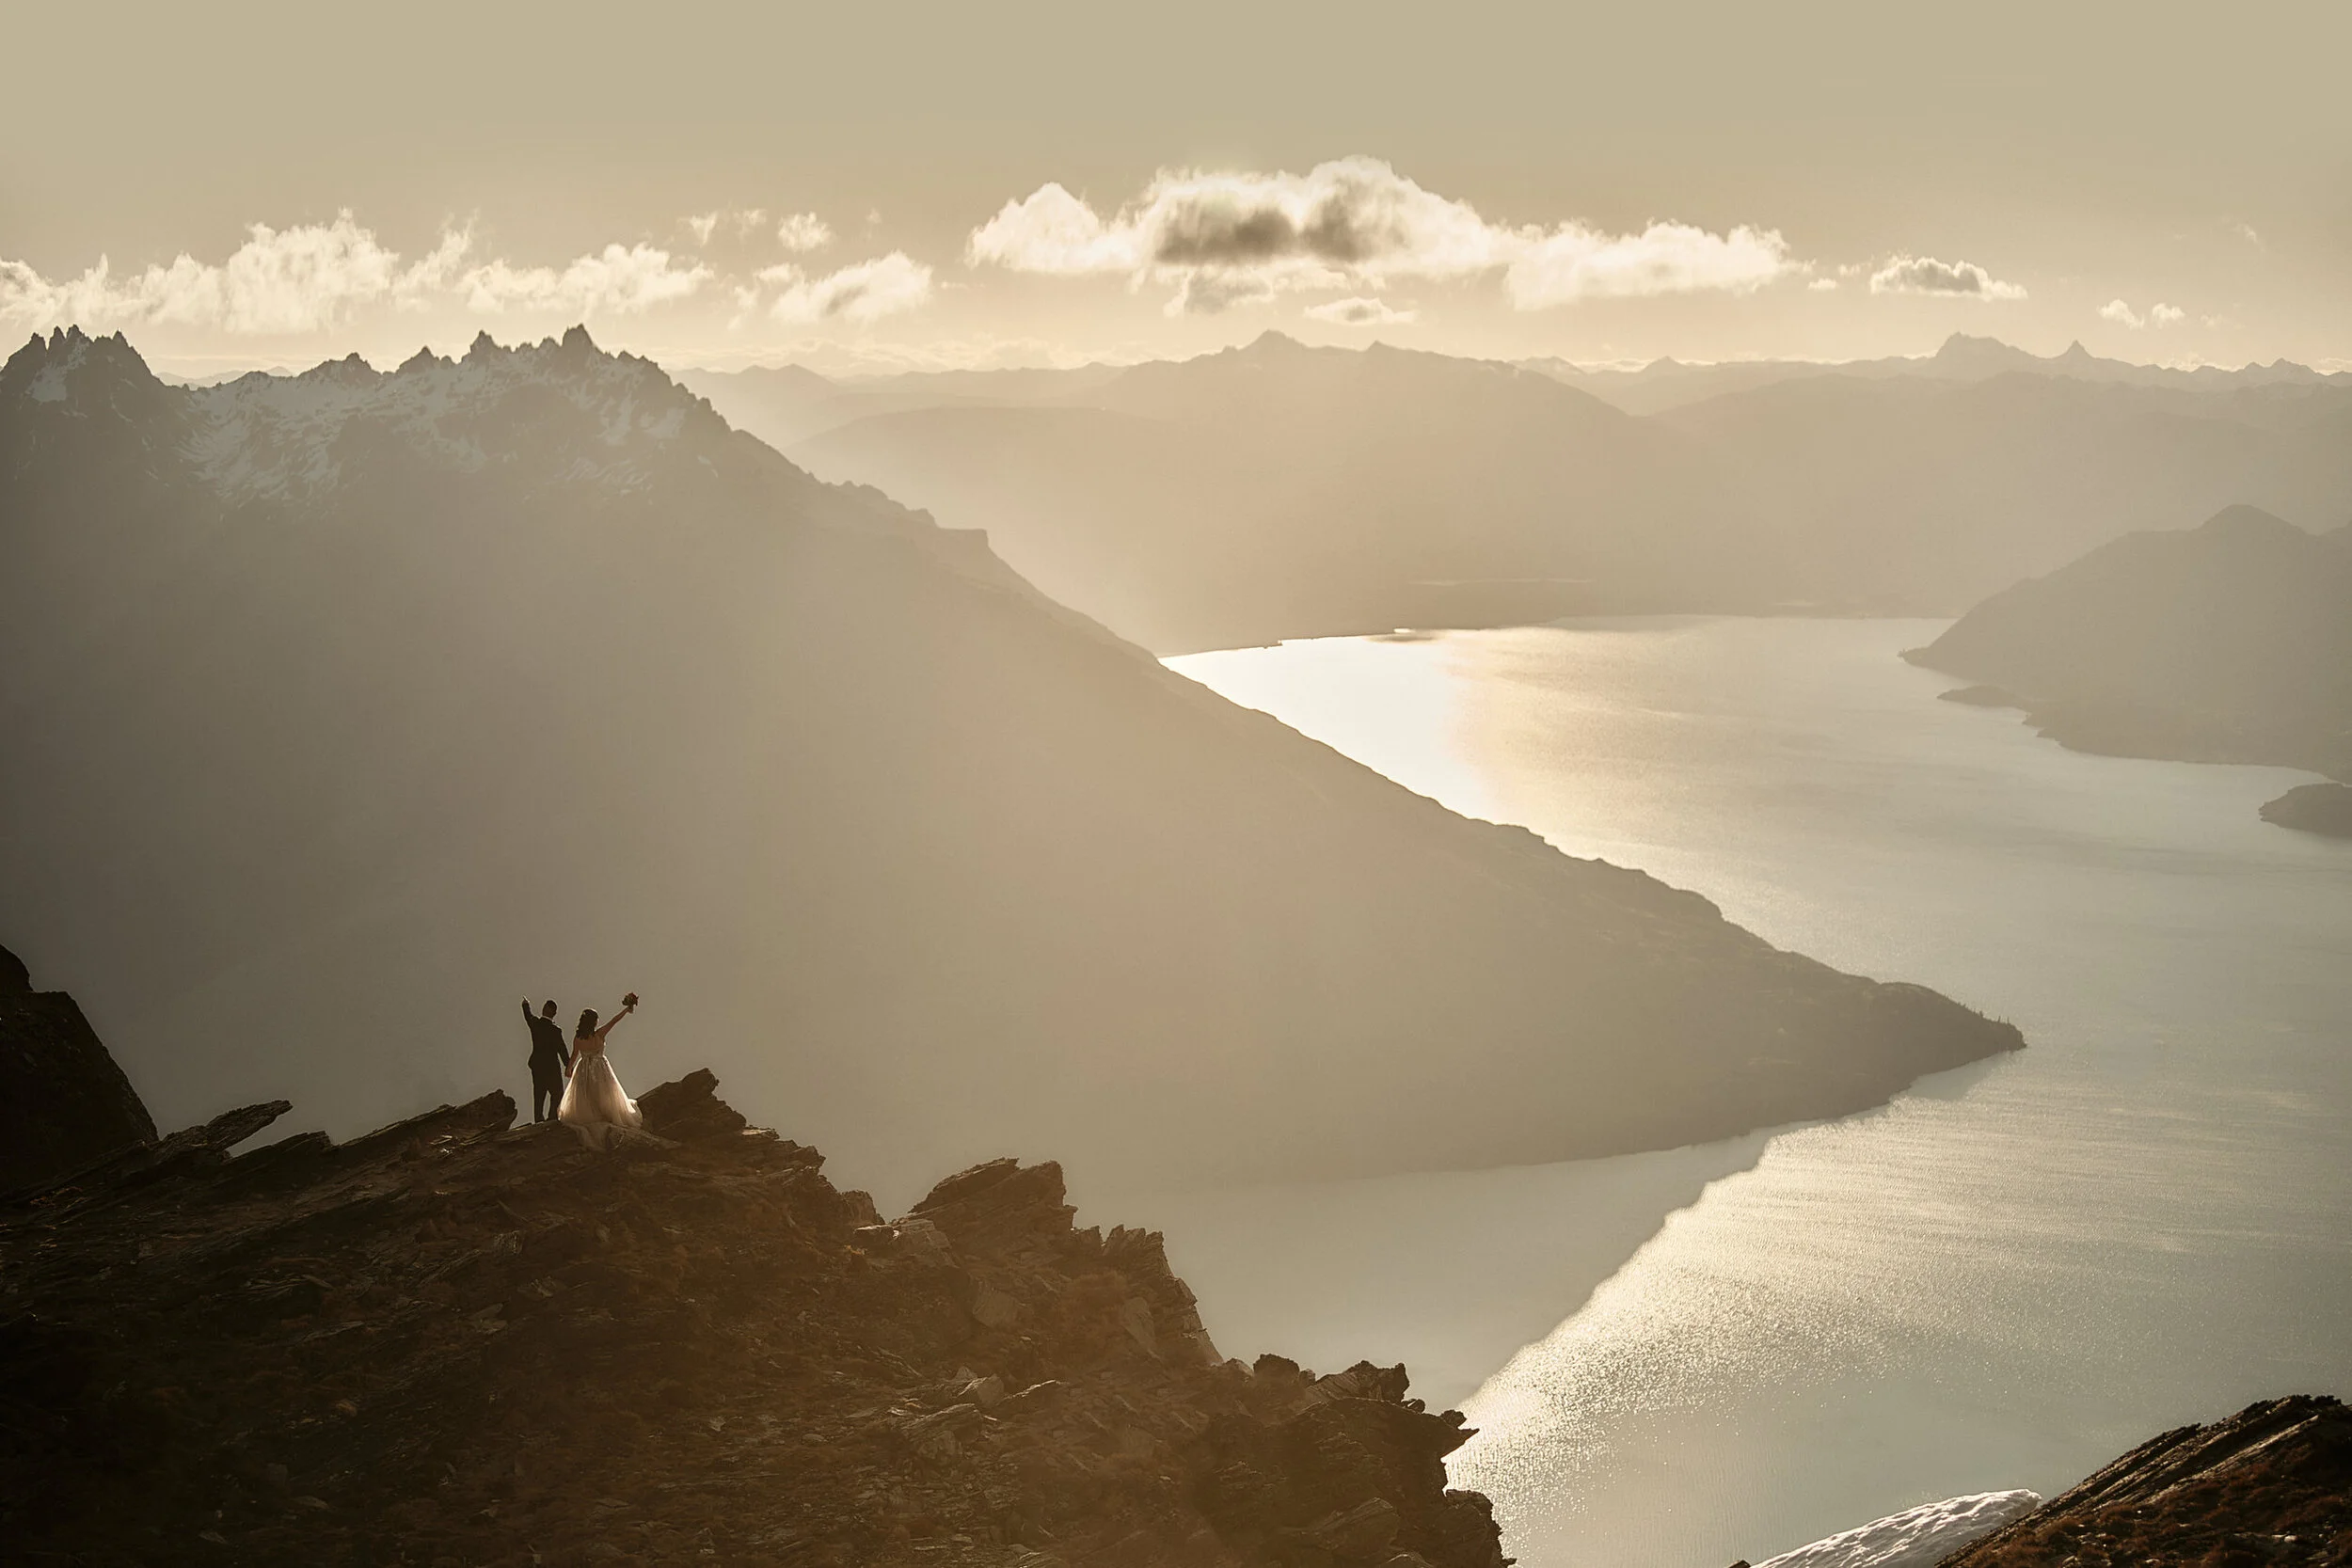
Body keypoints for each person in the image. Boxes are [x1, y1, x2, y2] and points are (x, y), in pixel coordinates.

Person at [558, 992, 643, 1148]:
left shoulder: (578, 1039)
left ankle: (595, 1114)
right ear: (593, 1022)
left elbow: (574, 1056)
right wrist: (626, 1009)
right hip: (600, 1066)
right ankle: (606, 1115)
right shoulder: (599, 1034)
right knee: (605, 1091)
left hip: (584, 1069)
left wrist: (569, 1069)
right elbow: (614, 1021)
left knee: (587, 1093)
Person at [519, 999, 572, 1124]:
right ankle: (552, 1117)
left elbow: (528, 1016)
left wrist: (525, 1005)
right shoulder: (555, 1030)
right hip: (552, 1067)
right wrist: (568, 1066)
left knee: (539, 1093)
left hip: (537, 1065)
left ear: (545, 1009)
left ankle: (538, 1120)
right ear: (554, 1013)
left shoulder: (536, 1023)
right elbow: (562, 1049)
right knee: (557, 1093)